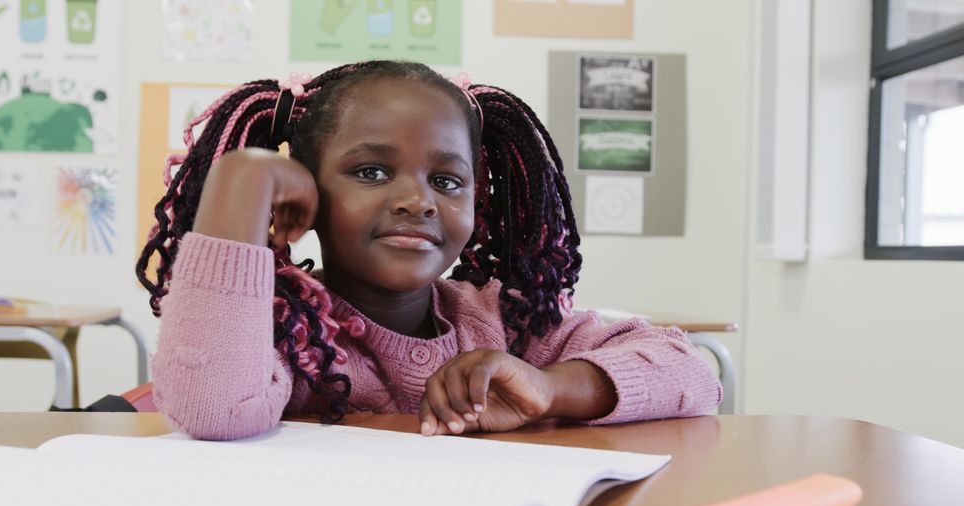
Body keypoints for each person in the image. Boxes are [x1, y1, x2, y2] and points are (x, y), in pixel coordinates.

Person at [137, 60, 720, 441]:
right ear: (305, 197)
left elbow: (692, 371)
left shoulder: (500, 322)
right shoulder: (287, 331)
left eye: (446, 181)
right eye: (371, 171)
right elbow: (213, 409)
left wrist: (548, 388)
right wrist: (241, 183)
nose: (418, 201)